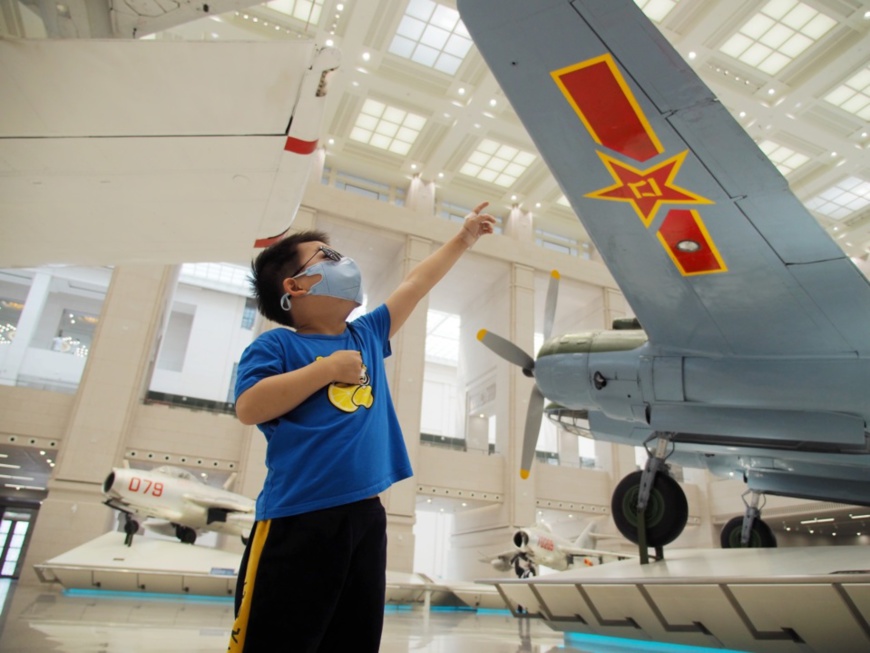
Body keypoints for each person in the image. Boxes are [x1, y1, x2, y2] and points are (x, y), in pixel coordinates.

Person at [228, 201, 496, 652]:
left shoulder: (366, 334)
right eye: (327, 258)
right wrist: (324, 369)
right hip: (297, 517)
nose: (343, 264)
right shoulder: (276, 345)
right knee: (276, 639)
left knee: (353, 638)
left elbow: (416, 282)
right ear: (295, 286)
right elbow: (249, 407)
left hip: (366, 515)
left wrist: (464, 238)